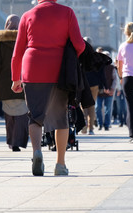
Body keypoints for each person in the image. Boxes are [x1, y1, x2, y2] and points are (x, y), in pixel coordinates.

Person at [11, 0, 85, 176]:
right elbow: (79, 45)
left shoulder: (27, 16)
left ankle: (37, 152)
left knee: (35, 117)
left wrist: (15, 79)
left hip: (32, 69)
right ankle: (60, 164)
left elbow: (18, 51)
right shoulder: (67, 13)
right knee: (61, 118)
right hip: (59, 70)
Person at [0, 14, 29, 152]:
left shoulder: (0, 39)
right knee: (23, 113)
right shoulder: (25, 37)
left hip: (5, 81)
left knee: (9, 113)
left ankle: (11, 141)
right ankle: (19, 140)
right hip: (22, 79)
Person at [96, 51, 118, 131]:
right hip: (99, 91)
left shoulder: (111, 67)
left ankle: (107, 124)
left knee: (108, 109)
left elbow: (115, 80)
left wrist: (112, 89)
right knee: (98, 108)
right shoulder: (97, 67)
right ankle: (99, 124)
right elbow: (96, 79)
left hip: (109, 91)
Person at [81, 36, 99, 135]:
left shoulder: (78, 54)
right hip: (94, 84)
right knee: (91, 106)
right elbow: (100, 71)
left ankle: (83, 127)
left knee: (83, 105)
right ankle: (91, 128)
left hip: (83, 83)